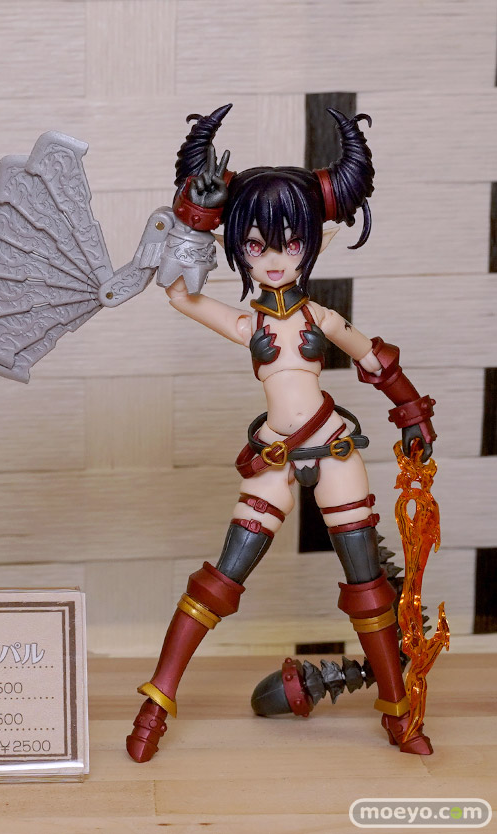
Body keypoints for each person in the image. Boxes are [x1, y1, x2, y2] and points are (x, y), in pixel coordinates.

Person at [126, 105, 437, 762]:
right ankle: (156, 701)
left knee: (367, 586)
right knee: (222, 578)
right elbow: (179, 295)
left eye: (289, 243)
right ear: (239, 247)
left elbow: (377, 362)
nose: (272, 258)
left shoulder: (321, 318)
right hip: (272, 455)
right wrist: (194, 215)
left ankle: (397, 712)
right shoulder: (248, 325)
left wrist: (413, 414)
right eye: (256, 245)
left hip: (335, 449)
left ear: (313, 242)